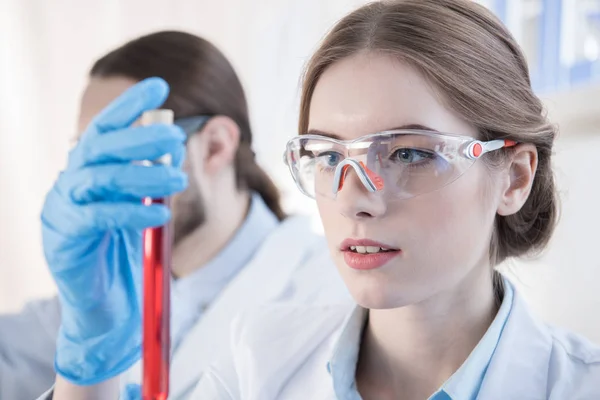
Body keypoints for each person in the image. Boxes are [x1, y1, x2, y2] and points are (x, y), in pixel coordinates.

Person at [184, 0, 600, 398]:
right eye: (330, 156)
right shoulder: (256, 367)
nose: (352, 202)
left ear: (514, 178)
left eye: (409, 154)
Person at [1, 31, 349, 400]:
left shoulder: (330, 291)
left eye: (123, 148)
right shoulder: (96, 294)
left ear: (215, 146)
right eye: (89, 155)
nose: (101, 180)